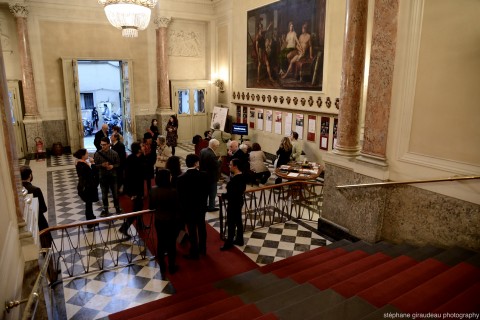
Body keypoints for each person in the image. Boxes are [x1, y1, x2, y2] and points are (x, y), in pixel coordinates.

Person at [177, 154, 209, 259]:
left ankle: (194, 252)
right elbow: (206, 192)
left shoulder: (181, 178)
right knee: (201, 228)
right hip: (201, 207)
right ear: (196, 163)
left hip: (188, 208)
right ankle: (203, 249)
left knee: (192, 230)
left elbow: (180, 196)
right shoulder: (204, 175)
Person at [149, 169, 180, 275]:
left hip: (159, 220)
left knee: (161, 243)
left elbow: (151, 206)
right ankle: (172, 266)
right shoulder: (173, 191)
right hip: (171, 221)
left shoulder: (153, 190)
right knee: (171, 245)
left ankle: (162, 266)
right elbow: (177, 208)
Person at [20, 166, 53, 248]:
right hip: (39, 219)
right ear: (30, 175)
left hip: (24, 221)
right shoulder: (35, 189)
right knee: (46, 241)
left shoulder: (17, 189)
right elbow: (44, 208)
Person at [119, 141, 147, 238]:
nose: (144, 147)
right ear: (138, 149)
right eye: (142, 146)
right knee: (137, 208)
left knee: (139, 206)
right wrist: (133, 193)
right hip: (133, 188)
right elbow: (129, 177)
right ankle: (124, 227)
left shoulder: (141, 157)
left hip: (139, 187)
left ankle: (140, 224)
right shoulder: (131, 159)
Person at [220, 158, 247, 251]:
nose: (229, 166)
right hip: (239, 201)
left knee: (231, 223)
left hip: (234, 203)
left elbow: (232, 193)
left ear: (235, 166)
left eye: (230, 165)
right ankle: (239, 239)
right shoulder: (242, 176)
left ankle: (229, 243)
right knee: (238, 221)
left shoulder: (236, 179)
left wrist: (224, 195)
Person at [94, 137, 122, 216]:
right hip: (102, 176)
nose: (103, 146)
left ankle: (117, 207)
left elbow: (118, 163)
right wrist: (102, 165)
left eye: (104, 145)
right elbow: (95, 166)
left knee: (115, 194)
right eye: (101, 145)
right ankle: (105, 209)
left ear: (109, 144)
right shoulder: (97, 154)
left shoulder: (114, 153)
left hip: (113, 176)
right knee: (104, 194)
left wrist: (112, 166)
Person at [73, 149, 99, 227]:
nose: (88, 154)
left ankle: (91, 218)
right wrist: (93, 163)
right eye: (87, 153)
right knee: (88, 204)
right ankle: (90, 222)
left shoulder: (80, 163)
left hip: (84, 186)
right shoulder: (83, 165)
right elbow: (93, 173)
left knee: (89, 204)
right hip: (87, 188)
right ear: (83, 155)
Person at [199, 138, 221, 212]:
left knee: (204, 193)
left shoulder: (203, 150)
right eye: (217, 146)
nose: (218, 147)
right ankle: (211, 207)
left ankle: (204, 206)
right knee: (212, 193)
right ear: (214, 146)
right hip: (212, 177)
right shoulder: (212, 154)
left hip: (203, 175)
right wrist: (220, 160)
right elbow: (217, 165)